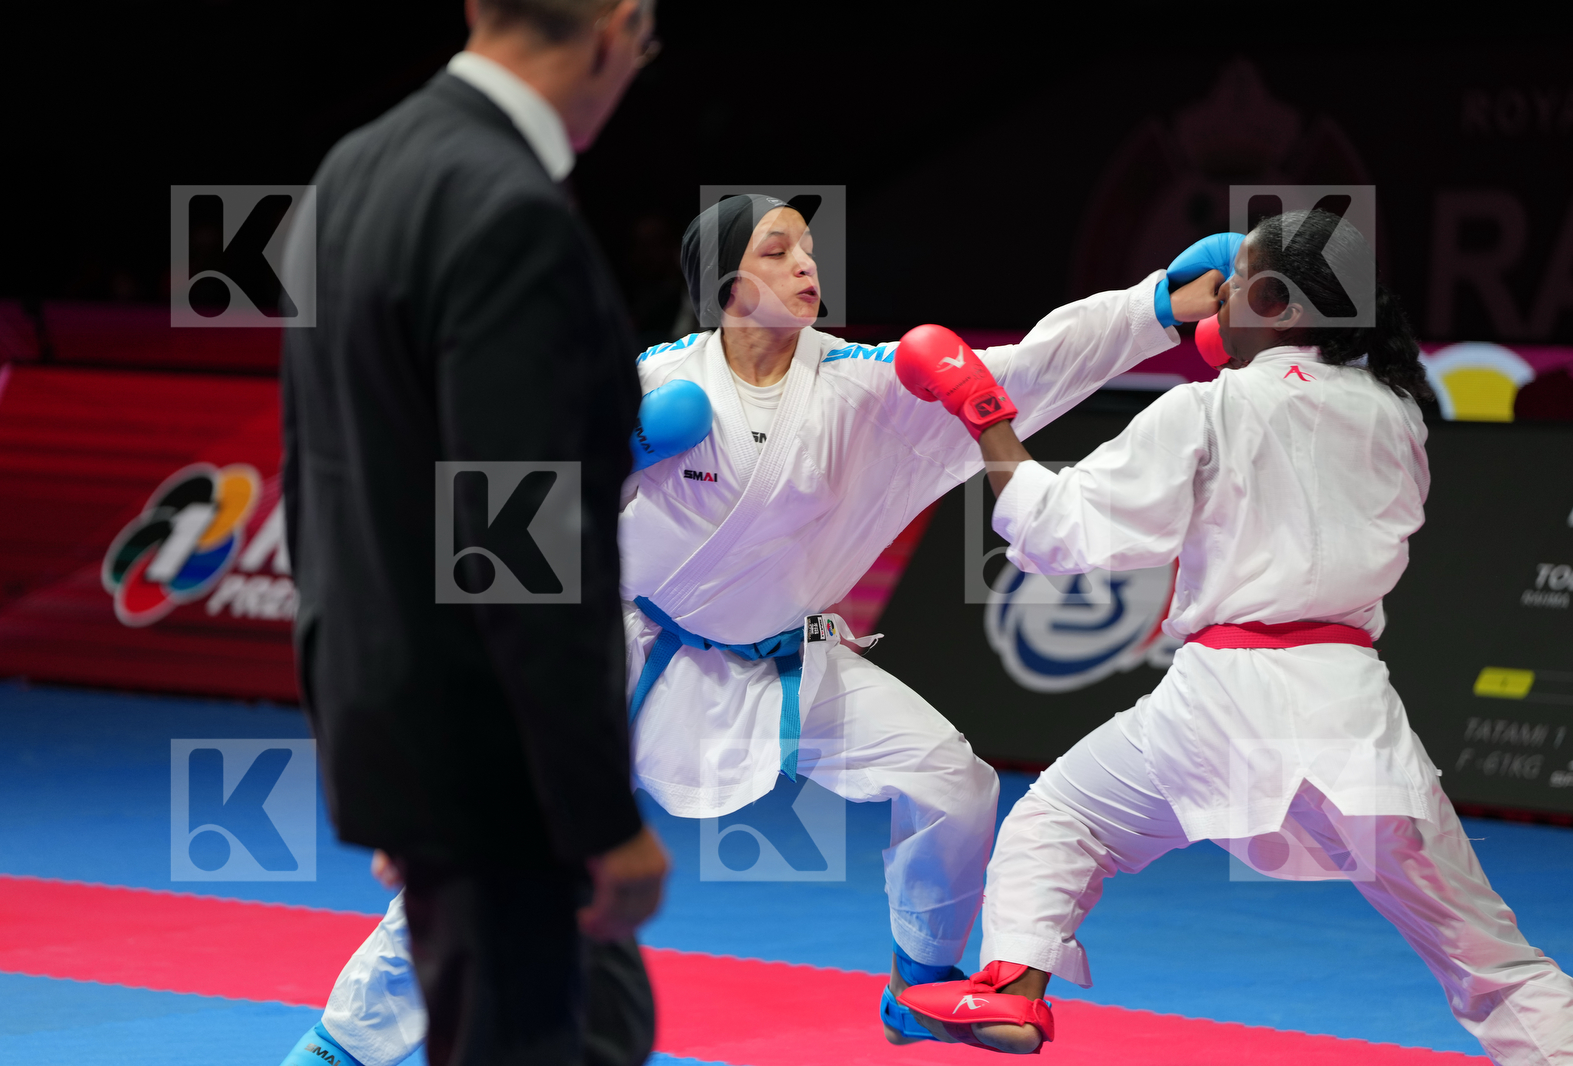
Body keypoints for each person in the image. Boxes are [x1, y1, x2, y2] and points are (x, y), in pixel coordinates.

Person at [294, 190, 1231, 1062]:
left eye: (810, 250)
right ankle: (342, 1046)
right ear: (727, 286)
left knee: (953, 781)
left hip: (784, 665)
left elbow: (1030, 363)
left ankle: (920, 981)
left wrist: (1155, 305)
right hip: (619, 657)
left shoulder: (862, 386)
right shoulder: (653, 381)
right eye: (776, 251)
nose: (804, 266)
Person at [895, 212, 1573, 1062]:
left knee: (1061, 819)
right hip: (1353, 714)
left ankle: (1014, 991)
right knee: (1495, 964)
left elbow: (1059, 533)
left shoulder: (1209, 407)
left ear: (1278, 304)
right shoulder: (1397, 415)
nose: (1216, 296)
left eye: (1237, 279)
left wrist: (981, 408)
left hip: (1222, 701)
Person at [277, 1, 668, 1064]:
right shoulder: (510, 212)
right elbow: (519, 548)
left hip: (415, 734)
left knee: (596, 1019)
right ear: (614, 30)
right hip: (504, 768)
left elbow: (315, 485)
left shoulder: (350, 169)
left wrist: (387, 756)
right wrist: (595, 812)